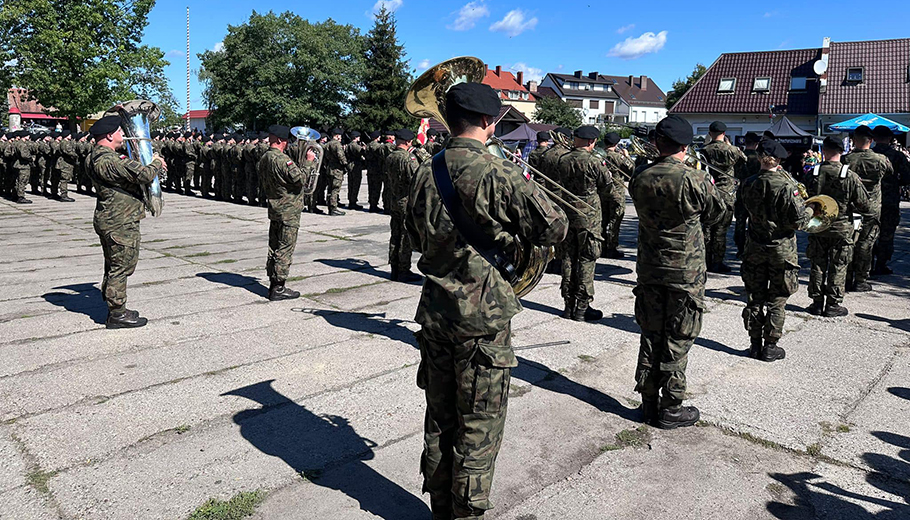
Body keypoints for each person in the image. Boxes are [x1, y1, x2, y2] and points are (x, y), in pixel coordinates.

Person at [406, 82, 568, 519]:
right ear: (487, 121)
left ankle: (441, 508)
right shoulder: (496, 170)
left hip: (436, 312)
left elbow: (413, 233)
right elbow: (555, 226)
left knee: (440, 419)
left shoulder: (426, 169)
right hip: (483, 317)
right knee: (478, 426)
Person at [629, 115, 724, 428]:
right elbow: (718, 214)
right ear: (686, 145)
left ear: (657, 142)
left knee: (651, 335)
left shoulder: (640, 175)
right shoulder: (694, 179)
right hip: (685, 269)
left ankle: (647, 401)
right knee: (678, 337)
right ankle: (671, 407)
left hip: (649, 267)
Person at [86, 115, 168, 328]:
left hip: (113, 218)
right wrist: (156, 162)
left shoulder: (96, 156)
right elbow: (144, 174)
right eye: (120, 132)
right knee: (121, 267)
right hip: (119, 221)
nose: (123, 135)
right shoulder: (108, 160)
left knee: (114, 265)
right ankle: (117, 314)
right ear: (110, 135)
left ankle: (115, 305)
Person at [740, 139, 814, 360]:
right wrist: (810, 208)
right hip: (781, 248)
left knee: (754, 297)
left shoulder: (748, 183)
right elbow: (799, 222)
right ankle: (770, 346)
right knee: (778, 298)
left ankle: (754, 344)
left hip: (754, 245)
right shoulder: (786, 186)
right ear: (779, 159)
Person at [804, 136, 870, 318]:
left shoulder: (812, 173)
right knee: (839, 265)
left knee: (817, 263)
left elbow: (805, 199)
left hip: (817, 225)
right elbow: (864, 205)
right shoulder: (849, 176)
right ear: (842, 151)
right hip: (842, 229)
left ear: (823, 150)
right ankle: (833, 304)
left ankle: (816, 303)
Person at [557, 125, 613, 321]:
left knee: (568, 258)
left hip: (567, 213)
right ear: (591, 141)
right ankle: (582, 306)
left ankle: (568, 305)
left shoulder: (562, 159)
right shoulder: (595, 162)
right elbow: (607, 187)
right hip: (589, 216)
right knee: (587, 259)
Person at [258, 124, 318, 301]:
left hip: (275, 207)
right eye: (284, 140)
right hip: (289, 209)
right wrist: (308, 161)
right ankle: (278, 287)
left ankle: (273, 281)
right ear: (278, 140)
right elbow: (300, 180)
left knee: (274, 246)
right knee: (285, 247)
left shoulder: (264, 158)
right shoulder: (283, 160)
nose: (286, 143)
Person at [843, 125, 892, 292]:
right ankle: (861, 279)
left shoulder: (847, 160)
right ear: (871, 141)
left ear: (854, 141)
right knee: (866, 243)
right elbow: (891, 174)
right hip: (871, 210)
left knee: (851, 241)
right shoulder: (881, 159)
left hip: (853, 209)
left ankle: (847, 277)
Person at [700, 121, 746, 273]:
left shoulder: (704, 150)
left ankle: (705, 260)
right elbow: (744, 162)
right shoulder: (732, 150)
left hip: (709, 193)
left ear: (709, 133)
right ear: (724, 133)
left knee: (707, 228)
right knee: (721, 230)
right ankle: (717, 262)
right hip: (726, 193)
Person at [871, 125, 910, 275]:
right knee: (887, 233)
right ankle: (881, 264)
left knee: (868, 233)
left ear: (873, 139)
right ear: (889, 139)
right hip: (890, 200)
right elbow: (907, 177)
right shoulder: (897, 156)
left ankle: (866, 264)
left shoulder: (868, 155)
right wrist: (894, 183)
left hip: (869, 200)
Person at [384, 129, 422, 283]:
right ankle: (403, 270)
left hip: (393, 199)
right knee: (406, 237)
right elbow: (416, 179)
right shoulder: (408, 158)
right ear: (408, 142)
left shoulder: (390, 156)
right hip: (406, 201)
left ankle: (394, 267)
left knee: (395, 234)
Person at [600, 131, 635, 259]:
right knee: (615, 220)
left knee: (603, 219)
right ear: (616, 144)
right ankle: (611, 247)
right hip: (616, 192)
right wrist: (627, 156)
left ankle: (602, 246)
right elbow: (632, 169)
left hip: (602, 191)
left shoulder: (599, 155)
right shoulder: (617, 156)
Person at [734, 132, 762, 257]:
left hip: (741, 192)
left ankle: (740, 248)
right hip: (755, 194)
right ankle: (752, 248)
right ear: (756, 144)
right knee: (755, 222)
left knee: (740, 222)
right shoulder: (759, 158)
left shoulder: (739, 157)